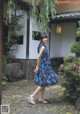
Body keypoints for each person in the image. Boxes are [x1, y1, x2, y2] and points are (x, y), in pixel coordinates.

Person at [27, 33, 58, 105]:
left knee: (44, 82)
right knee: (43, 82)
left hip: (45, 65)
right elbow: (38, 57)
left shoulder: (42, 46)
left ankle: (41, 98)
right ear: (41, 39)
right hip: (44, 66)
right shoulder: (43, 47)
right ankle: (32, 96)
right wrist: (37, 67)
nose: (46, 39)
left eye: (46, 37)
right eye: (44, 38)